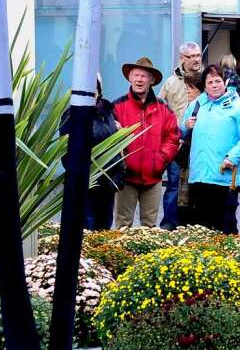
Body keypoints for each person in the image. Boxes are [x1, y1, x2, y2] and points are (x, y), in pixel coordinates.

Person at [180, 65, 240, 233]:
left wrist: (233, 157)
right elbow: (180, 130)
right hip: (199, 177)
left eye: (218, 81)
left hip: (224, 177)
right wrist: (186, 125)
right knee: (201, 231)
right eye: (210, 82)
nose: (214, 85)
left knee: (226, 229)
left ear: (226, 83)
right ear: (204, 85)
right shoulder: (197, 104)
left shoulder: (239, 107)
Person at [112, 57, 180, 228]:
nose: (139, 79)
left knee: (149, 227)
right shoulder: (117, 107)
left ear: (152, 81)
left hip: (153, 178)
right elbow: (108, 138)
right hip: (126, 179)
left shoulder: (164, 108)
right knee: (122, 226)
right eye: (136, 75)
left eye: (144, 76)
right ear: (130, 78)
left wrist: (160, 160)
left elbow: (173, 137)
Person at [60, 77, 122, 230]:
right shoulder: (72, 114)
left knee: (104, 227)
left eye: (93, 89)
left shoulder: (108, 113)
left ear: (98, 92)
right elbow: (65, 150)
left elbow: (116, 145)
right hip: (86, 182)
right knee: (86, 226)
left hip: (107, 181)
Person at [158, 41, 204, 230]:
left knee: (198, 186)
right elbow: (160, 110)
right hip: (177, 143)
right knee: (174, 186)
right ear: (181, 59)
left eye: (198, 55)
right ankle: (170, 225)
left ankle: (195, 226)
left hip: (202, 143)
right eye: (190, 56)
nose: (195, 59)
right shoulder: (171, 82)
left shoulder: (208, 79)